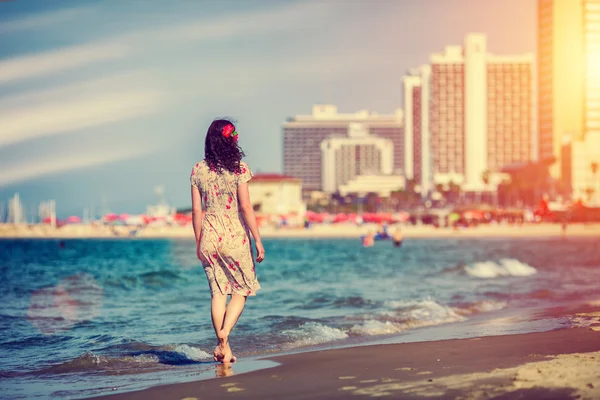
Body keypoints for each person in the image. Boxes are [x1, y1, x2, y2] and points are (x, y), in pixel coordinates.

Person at [190, 119, 265, 364]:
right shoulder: (239, 169)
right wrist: (258, 239)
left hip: (209, 236)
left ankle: (225, 349)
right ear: (231, 139)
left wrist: (199, 241)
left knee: (218, 293)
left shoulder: (198, 170)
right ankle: (224, 335)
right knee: (241, 290)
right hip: (234, 235)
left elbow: (196, 212)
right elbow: (245, 207)